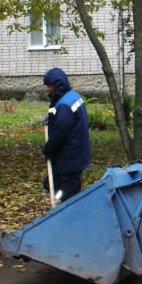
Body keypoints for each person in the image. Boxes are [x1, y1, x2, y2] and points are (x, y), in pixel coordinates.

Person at [41, 68, 91, 204]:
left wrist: (48, 150)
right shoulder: (74, 96)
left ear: (57, 85)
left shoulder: (64, 105)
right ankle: (63, 204)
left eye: (49, 86)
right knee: (51, 184)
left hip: (69, 158)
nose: (47, 89)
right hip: (76, 155)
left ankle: (68, 212)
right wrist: (51, 117)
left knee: (69, 194)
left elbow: (60, 133)